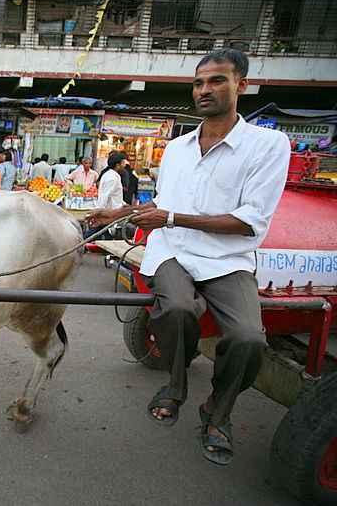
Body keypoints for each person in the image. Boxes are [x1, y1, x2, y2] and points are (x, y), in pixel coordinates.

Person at [85, 48, 291, 465]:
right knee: (176, 308)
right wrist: (120, 212)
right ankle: (176, 386)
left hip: (228, 258)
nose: (205, 90)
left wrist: (172, 217)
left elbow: (249, 222)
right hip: (174, 251)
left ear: (242, 86)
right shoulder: (177, 148)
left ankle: (218, 409)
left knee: (249, 338)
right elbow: (162, 203)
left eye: (217, 80)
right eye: (198, 83)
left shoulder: (268, 145)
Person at [82, 152, 126, 240]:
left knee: (98, 235)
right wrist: (99, 213)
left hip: (110, 212)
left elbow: (113, 195)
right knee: (95, 234)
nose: (124, 165)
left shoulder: (111, 176)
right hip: (109, 213)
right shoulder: (112, 178)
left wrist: (123, 203)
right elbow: (104, 196)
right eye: (123, 163)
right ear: (117, 165)